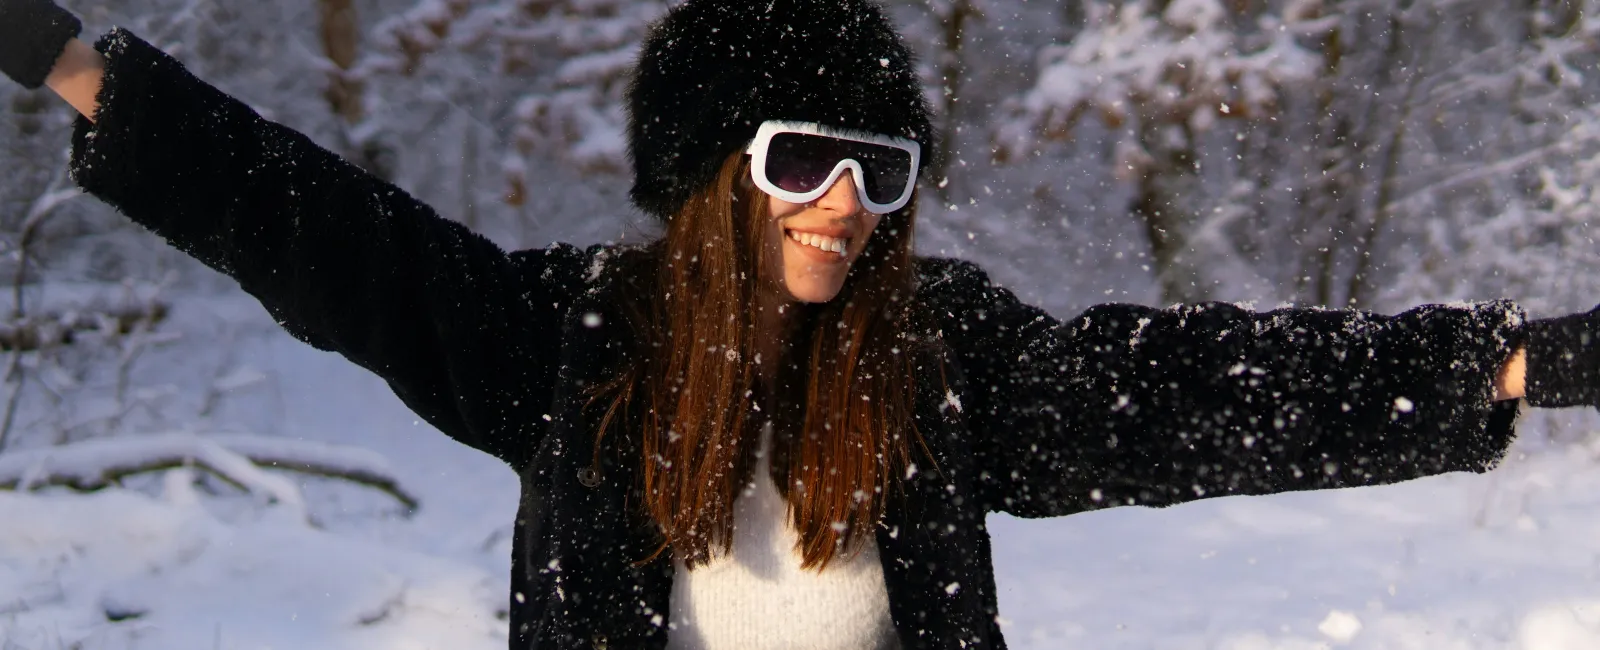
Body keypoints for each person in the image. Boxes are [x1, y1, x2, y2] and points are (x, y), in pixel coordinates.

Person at [3, 0, 1599, 648]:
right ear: (715, 178)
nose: (845, 200)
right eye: (801, 159)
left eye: (878, 167)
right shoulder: (564, 341)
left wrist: (1514, 358)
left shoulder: (940, 360)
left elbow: (1187, 386)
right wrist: (75, 65)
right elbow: (311, 223)